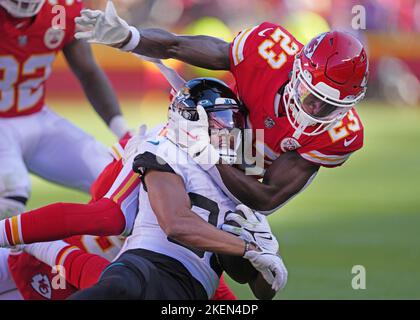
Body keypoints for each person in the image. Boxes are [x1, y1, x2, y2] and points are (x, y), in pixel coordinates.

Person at [75, 1, 369, 215]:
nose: (316, 109)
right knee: (111, 214)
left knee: (254, 272)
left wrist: (209, 150)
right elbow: (176, 46)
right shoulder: (267, 49)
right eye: (311, 96)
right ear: (296, 73)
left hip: (241, 177)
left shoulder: (342, 135)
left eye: (330, 106)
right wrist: (129, 38)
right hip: (215, 132)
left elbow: (266, 198)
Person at [66, 78, 287, 300]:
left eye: (234, 120)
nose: (231, 130)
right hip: (145, 265)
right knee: (115, 289)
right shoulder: (167, 152)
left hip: (192, 290)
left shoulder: (242, 182)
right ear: (191, 120)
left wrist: (269, 257)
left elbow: (262, 292)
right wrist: (247, 247)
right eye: (222, 120)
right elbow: (176, 224)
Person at [0, 0, 129, 220]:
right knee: (11, 194)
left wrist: (122, 130)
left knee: (118, 178)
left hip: (36, 116)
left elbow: (88, 71)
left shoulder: (61, 10)